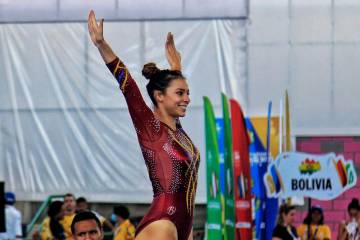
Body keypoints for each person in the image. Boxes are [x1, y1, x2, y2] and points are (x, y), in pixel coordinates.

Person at [88, 10, 200, 240]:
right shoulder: (151, 127)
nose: (187, 98)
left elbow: (170, 96)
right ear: (159, 96)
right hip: (162, 223)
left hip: (184, 224)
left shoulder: (177, 130)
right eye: (180, 93)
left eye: (187, 93)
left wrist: (176, 69)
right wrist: (101, 44)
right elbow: (128, 87)